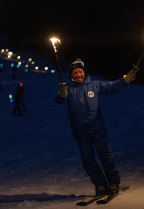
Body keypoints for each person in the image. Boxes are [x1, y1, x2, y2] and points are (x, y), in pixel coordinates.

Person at [55, 58, 139, 196]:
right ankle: (100, 185)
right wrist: (62, 94)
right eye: (75, 73)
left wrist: (126, 79)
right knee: (88, 161)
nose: (78, 75)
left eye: (80, 72)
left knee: (107, 157)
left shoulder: (94, 85)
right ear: (71, 75)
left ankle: (113, 183)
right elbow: (59, 100)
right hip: (81, 133)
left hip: (98, 130)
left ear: (84, 73)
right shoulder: (68, 89)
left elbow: (112, 87)